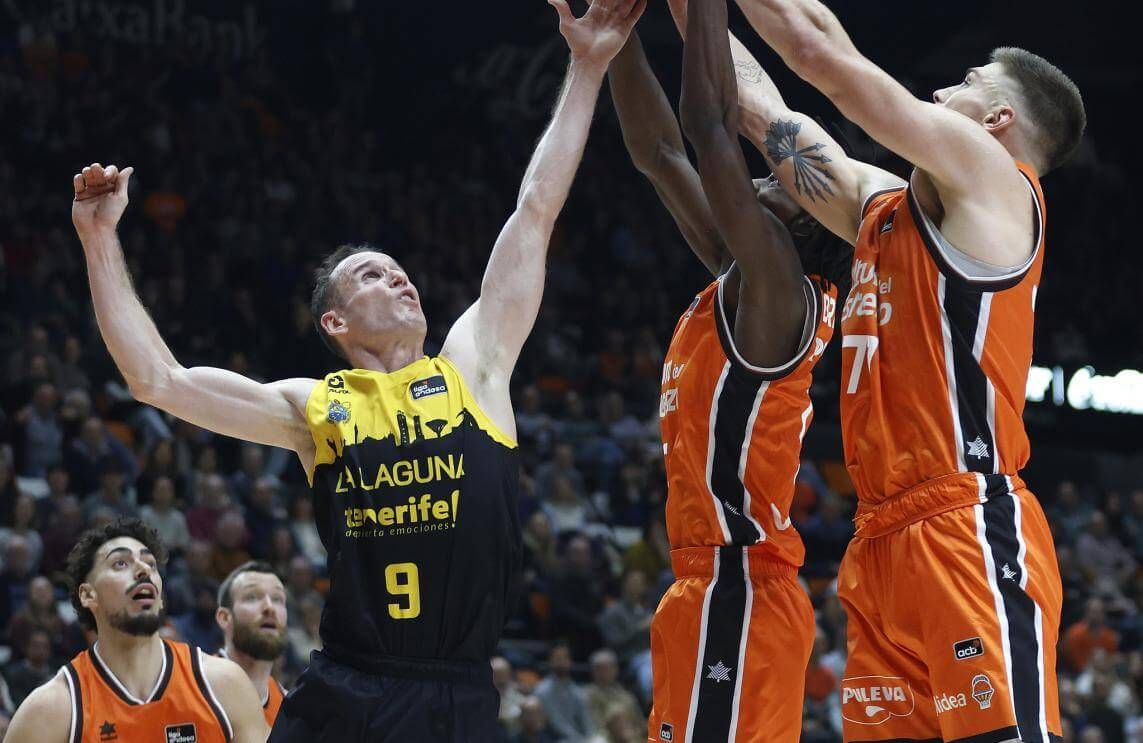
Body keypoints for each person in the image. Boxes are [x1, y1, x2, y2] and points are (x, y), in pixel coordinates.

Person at [67, 0, 645, 738]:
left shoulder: (474, 364)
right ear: (333, 322)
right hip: (349, 688)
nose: (399, 278)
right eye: (373, 275)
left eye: (401, 271)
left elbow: (534, 209)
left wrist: (588, 64)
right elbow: (157, 379)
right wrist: (97, 239)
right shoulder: (316, 405)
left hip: (457, 693)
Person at [695, 0, 1085, 739]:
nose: (941, 93)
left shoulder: (997, 179)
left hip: (963, 521)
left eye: (966, 82)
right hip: (877, 537)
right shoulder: (880, 210)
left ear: (997, 118)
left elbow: (819, 53)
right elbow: (757, 111)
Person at [606, 0, 844, 738]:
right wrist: (606, 39)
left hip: (741, 582)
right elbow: (658, 154)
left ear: (801, 222)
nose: (761, 174)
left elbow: (708, 127)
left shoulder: (779, 287)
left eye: (773, 175)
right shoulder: (742, 276)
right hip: (708, 585)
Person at [2, 518, 268, 742]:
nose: (143, 570)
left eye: (150, 564)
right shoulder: (51, 711)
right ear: (88, 595)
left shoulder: (223, 684)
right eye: (120, 563)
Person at [215, 561, 289, 729]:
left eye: (277, 599)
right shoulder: (195, 685)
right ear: (225, 617)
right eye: (252, 597)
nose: (269, 607)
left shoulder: (290, 709)